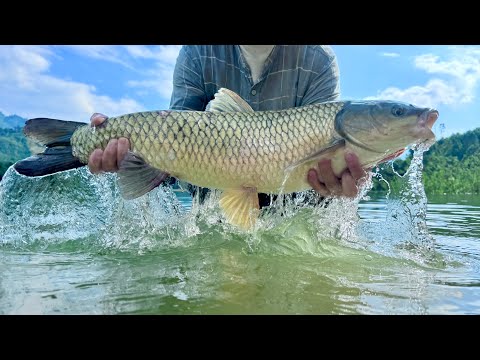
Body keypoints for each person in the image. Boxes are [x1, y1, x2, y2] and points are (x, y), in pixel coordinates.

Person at [88, 45, 367, 205]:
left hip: (292, 197)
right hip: (212, 193)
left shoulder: (318, 59)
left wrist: (344, 180)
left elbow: (328, 147)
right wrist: (133, 157)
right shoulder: (196, 52)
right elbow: (175, 138)